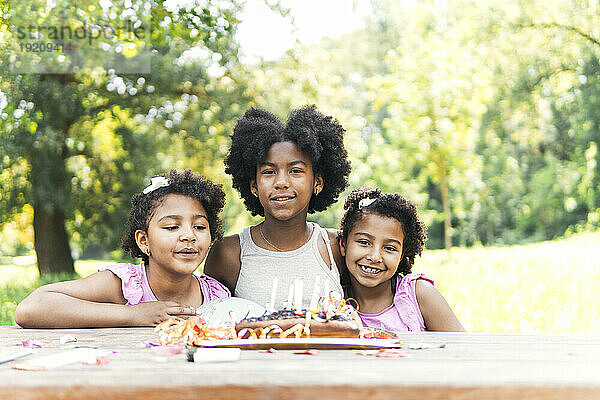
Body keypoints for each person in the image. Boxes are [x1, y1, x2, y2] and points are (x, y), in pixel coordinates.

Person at [15, 169, 230, 328]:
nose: (189, 236)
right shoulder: (125, 285)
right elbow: (31, 308)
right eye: (172, 226)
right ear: (143, 241)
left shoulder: (216, 295)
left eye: (200, 226)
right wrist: (133, 314)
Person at [204, 105, 352, 309]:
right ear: (253, 185)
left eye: (296, 171)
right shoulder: (228, 254)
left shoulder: (337, 248)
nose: (281, 182)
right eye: (268, 172)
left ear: (317, 182)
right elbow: (210, 319)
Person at [338, 186, 465, 332]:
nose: (375, 257)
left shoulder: (418, 294)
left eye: (390, 248)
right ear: (343, 244)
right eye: (364, 242)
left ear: (401, 255)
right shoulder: (333, 302)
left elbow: (462, 347)